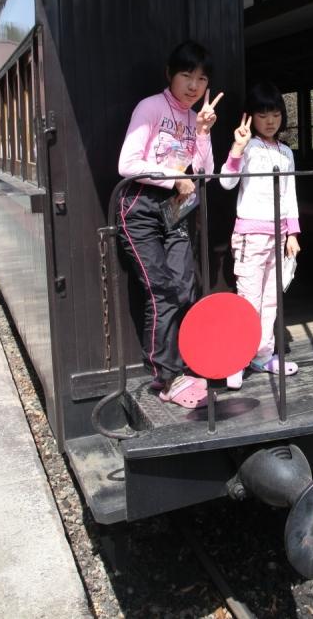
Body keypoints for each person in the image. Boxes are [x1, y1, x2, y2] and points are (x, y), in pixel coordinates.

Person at [116, 40, 221, 409]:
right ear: (169, 74)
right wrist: (173, 177)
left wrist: (203, 132)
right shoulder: (150, 107)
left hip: (175, 208)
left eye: (201, 79)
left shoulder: (196, 118)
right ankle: (166, 377)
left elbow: (205, 172)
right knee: (160, 290)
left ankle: (181, 364)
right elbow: (127, 164)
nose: (193, 85)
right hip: (140, 207)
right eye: (186, 75)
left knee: (183, 286)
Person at [218, 82, 302, 389]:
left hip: (279, 236)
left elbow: (290, 193)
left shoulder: (286, 152)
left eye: (276, 114)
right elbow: (226, 183)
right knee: (249, 301)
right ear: (251, 116)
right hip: (250, 236)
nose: (270, 121)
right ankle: (236, 359)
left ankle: (263, 355)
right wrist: (236, 149)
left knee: (271, 300)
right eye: (263, 114)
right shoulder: (249, 148)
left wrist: (293, 232)